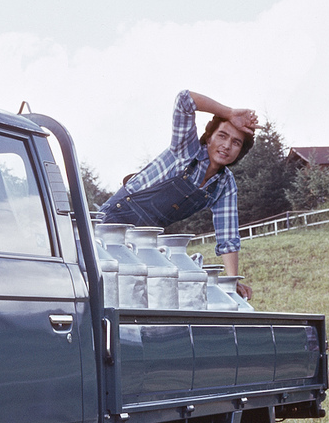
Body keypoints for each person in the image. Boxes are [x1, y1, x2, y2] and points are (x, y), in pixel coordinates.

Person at [98, 90, 258, 296]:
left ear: (240, 151)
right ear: (209, 138)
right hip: (110, 226)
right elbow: (185, 100)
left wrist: (231, 281)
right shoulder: (186, 150)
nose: (227, 146)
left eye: (236, 142)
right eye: (222, 135)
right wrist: (229, 113)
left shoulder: (225, 184)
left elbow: (228, 235)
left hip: (143, 242)